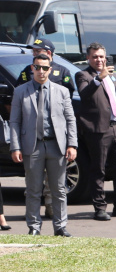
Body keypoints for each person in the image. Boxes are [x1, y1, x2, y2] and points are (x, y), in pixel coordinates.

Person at [9, 53, 78, 236]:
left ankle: (61, 227)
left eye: (45, 68)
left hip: (57, 145)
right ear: (32, 68)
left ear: (50, 69)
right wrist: (15, 147)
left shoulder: (61, 91)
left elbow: (70, 119)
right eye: (37, 67)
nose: (41, 71)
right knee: (33, 189)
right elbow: (14, 121)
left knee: (59, 189)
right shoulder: (20, 91)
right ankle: (33, 227)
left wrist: (72, 144)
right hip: (33, 146)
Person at [75, 43, 116, 220]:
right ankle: (100, 208)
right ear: (88, 58)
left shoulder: (114, 76)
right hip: (97, 131)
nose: (99, 60)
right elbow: (85, 94)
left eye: (101, 56)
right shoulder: (83, 75)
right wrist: (99, 78)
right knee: (98, 169)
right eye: (95, 56)